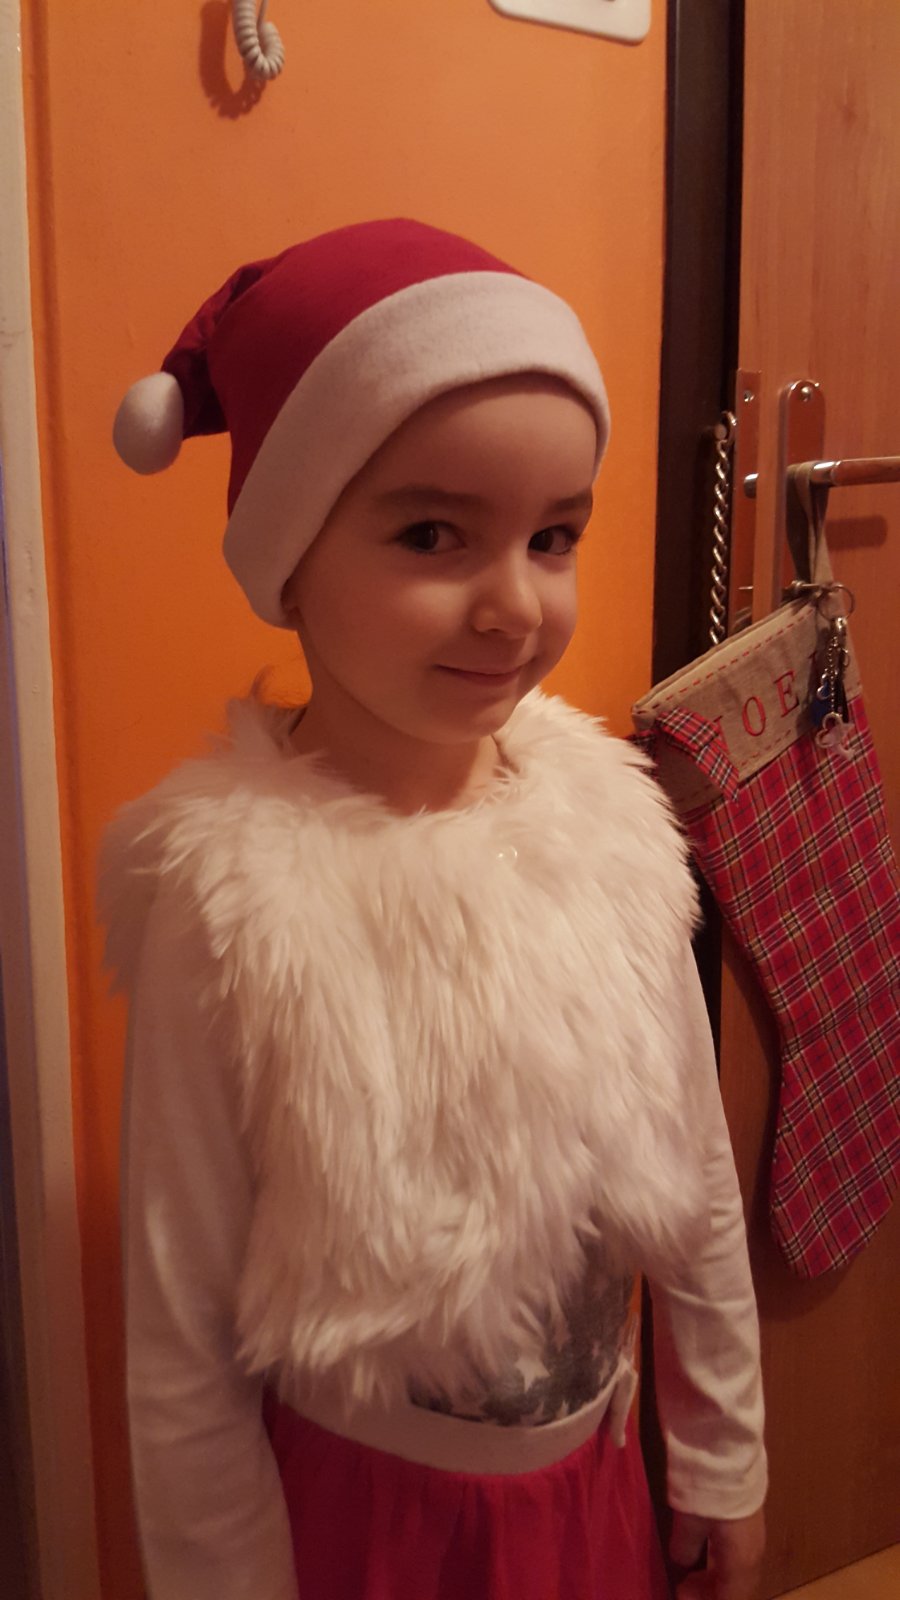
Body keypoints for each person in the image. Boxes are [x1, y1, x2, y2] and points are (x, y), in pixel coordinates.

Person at [102, 218, 767, 1600]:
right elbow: (182, 1338)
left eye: (554, 535)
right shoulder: (226, 902)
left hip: (594, 1495)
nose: (514, 605)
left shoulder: (610, 831)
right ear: (289, 556)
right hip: (368, 1531)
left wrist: (720, 1455)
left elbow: (694, 1186)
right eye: (431, 535)